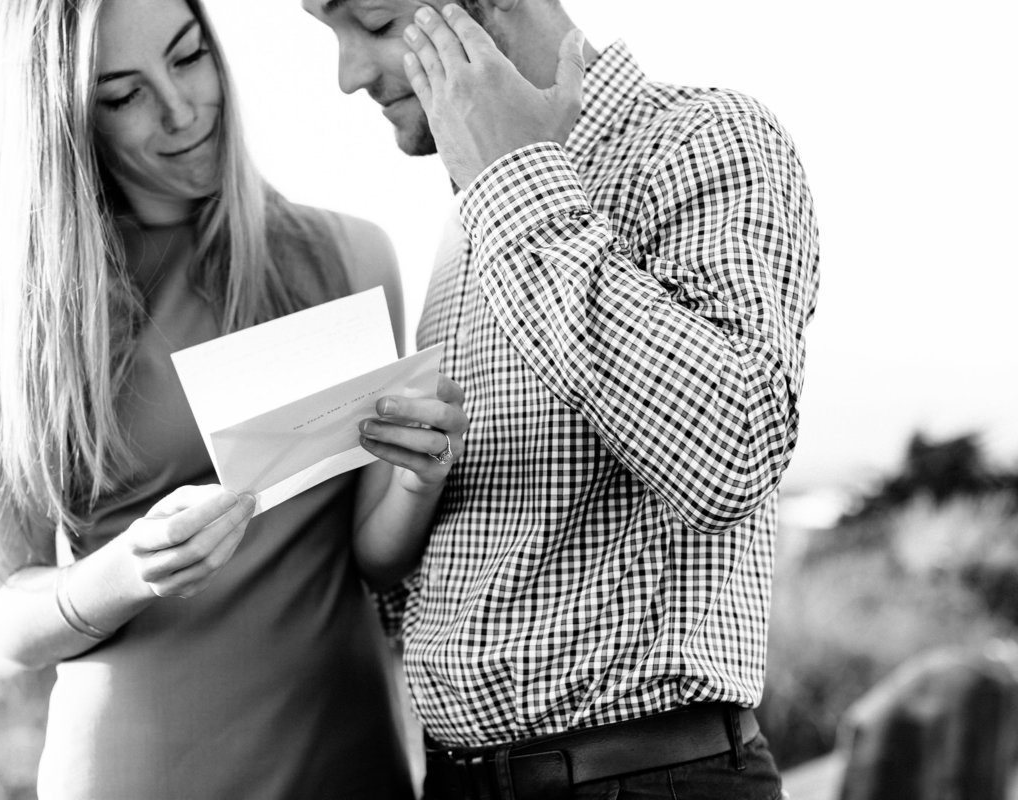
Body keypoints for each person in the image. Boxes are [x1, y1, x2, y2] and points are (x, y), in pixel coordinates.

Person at [0, 0, 468, 797]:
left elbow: (368, 556)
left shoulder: (350, 258)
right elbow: (11, 621)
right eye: (123, 96)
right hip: (135, 770)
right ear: (65, 122)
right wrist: (127, 570)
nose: (181, 109)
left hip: (346, 762)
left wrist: (416, 477)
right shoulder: (31, 324)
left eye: (188, 58)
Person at [304, 1, 820, 798]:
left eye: (372, 21)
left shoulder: (703, 138)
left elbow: (731, 452)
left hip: (645, 780)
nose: (347, 75)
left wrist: (516, 182)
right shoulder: (464, 224)